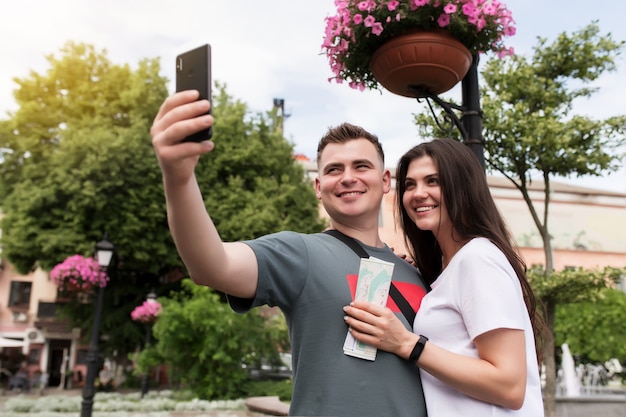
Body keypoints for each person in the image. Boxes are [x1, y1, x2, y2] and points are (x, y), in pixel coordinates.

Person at [150, 90, 430, 417]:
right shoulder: (299, 253)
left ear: (385, 181)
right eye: (334, 169)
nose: (348, 177)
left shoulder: (417, 272)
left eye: (361, 166)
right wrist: (179, 178)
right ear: (317, 186)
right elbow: (211, 265)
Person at [343, 138, 545, 416]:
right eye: (410, 184)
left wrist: (405, 343)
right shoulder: (451, 268)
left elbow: (509, 386)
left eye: (433, 181)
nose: (418, 193)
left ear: (462, 187)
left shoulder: (478, 259)